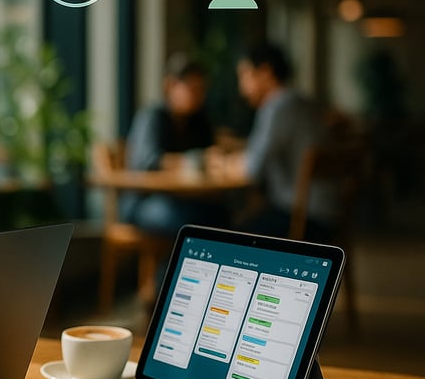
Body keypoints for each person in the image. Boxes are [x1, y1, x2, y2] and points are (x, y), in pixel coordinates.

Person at [207, 43, 334, 239]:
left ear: (265, 72)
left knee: (221, 234)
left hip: (301, 218)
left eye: (245, 76)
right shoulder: (302, 102)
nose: (242, 89)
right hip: (327, 214)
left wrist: (218, 162)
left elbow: (252, 169)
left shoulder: (277, 106)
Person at [120, 52, 225, 236]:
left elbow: (211, 154)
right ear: (170, 85)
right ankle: (168, 265)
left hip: (185, 199)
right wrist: (194, 161)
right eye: (192, 89)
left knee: (221, 216)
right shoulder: (152, 116)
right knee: (186, 222)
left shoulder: (199, 120)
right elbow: (147, 162)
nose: (198, 96)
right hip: (144, 201)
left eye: (202, 90)